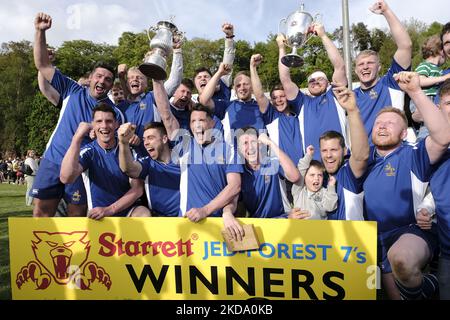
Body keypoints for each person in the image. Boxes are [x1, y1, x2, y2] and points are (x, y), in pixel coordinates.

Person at [363, 71, 450, 299]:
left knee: (402, 261)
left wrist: (415, 92)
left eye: (390, 124)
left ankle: (431, 284)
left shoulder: (413, 154)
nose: (382, 127)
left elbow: (442, 137)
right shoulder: (362, 159)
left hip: (410, 232)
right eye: (378, 123)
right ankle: (425, 289)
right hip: (372, 239)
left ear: (403, 133)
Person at [31, 12, 123, 218]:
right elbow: (43, 65)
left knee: (77, 218)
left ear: (111, 85)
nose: (102, 81)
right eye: (98, 76)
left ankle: (74, 253)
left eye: (108, 79)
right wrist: (39, 32)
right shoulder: (72, 90)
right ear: (90, 78)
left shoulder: (114, 112)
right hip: (53, 160)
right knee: (41, 215)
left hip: (82, 167)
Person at [290, 86, 369, 221]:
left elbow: (361, 155)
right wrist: (291, 217)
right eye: (324, 151)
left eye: (334, 150)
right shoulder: (320, 177)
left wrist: (352, 111)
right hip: (324, 240)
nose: (328, 155)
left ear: (344, 151)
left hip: (351, 239)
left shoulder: (349, 172)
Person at [60, 103, 149, 219]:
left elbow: (137, 189)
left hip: (128, 211)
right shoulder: (88, 151)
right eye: (99, 121)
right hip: (98, 215)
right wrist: (77, 138)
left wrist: (109, 210)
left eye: (109, 121)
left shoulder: (128, 149)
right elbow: (66, 177)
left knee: (143, 213)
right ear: (93, 125)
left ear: (117, 124)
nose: (104, 125)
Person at [277, 22, 348, 160]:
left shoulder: (335, 95)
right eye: (311, 80)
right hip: (313, 167)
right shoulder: (302, 102)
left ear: (328, 83)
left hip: (340, 161)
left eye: (320, 79)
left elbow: (339, 67)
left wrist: (323, 35)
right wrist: (281, 48)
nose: (315, 81)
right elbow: (285, 78)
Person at [118, 80, 181, 217]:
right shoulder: (148, 163)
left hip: (188, 220)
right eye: (145, 139)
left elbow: (167, 115)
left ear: (165, 139)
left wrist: (156, 77)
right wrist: (123, 143)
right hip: (158, 222)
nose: (146, 143)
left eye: (151, 138)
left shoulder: (183, 156)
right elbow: (128, 169)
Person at [353, 0, 412, 144]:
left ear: (379, 67)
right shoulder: (351, 97)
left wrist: (386, 11)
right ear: (355, 70)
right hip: (365, 160)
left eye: (370, 63)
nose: (365, 67)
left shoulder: (391, 83)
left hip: (394, 153)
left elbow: (405, 46)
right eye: (361, 64)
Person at [236, 128, 300, 218]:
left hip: (283, 220)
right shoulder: (240, 173)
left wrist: (270, 143)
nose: (250, 147)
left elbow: (295, 177)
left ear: (260, 144)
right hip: (259, 225)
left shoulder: (272, 163)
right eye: (245, 143)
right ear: (239, 149)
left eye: (253, 142)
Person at [426, 78, 450, 299]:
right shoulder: (428, 144)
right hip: (447, 249)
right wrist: (425, 208)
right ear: (438, 107)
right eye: (449, 103)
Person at [410, 35, 450, 140]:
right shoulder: (425, 66)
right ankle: (423, 144)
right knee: (427, 128)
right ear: (441, 52)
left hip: (431, 100)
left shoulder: (438, 70)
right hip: (425, 99)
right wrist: (443, 78)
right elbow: (420, 81)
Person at [194, 22, 236, 120]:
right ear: (195, 84)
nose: (203, 79)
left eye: (206, 77)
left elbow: (227, 63)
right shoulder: (192, 103)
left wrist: (229, 37)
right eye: (199, 77)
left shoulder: (223, 85)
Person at [291, 145, 338, 220]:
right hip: (301, 228)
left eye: (320, 175)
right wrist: (308, 155)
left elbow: (330, 207)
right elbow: (301, 170)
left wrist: (331, 187)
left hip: (319, 229)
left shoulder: (325, 192)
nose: (316, 178)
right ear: (304, 178)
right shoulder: (299, 190)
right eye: (312, 175)